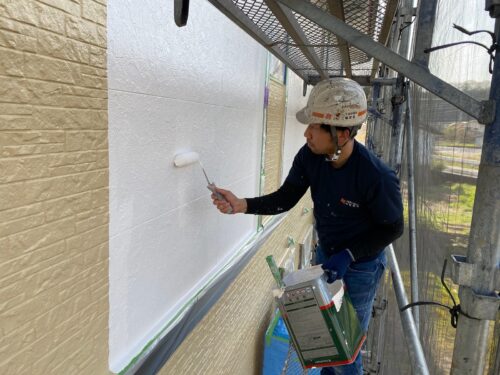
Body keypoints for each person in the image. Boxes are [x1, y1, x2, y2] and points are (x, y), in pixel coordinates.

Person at [211, 78, 404, 375]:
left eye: (315, 126)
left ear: (341, 132)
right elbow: (286, 198)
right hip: (328, 257)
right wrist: (242, 204)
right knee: (325, 341)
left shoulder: (375, 176)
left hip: (361, 266)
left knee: (346, 347)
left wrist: (350, 254)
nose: (306, 133)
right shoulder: (310, 157)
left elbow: (392, 228)